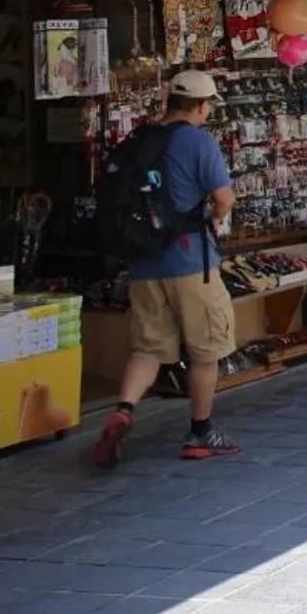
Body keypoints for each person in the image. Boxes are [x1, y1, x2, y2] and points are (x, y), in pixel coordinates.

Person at [91, 71, 241, 466]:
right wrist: (215, 219)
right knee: (205, 350)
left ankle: (124, 409)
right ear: (202, 107)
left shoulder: (141, 139)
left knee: (148, 349)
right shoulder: (198, 141)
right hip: (190, 261)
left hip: (144, 263)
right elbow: (224, 198)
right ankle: (200, 432)